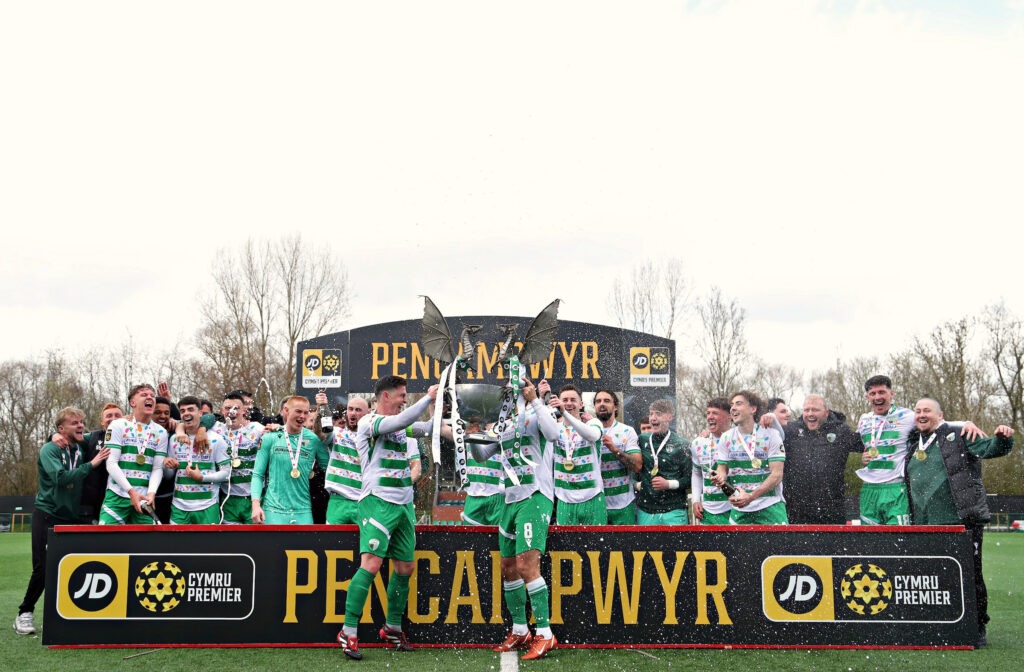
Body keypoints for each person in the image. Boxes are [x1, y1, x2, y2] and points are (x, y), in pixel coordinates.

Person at [338, 377, 438, 660]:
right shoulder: (369, 422)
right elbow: (403, 420)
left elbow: (430, 427)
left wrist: (451, 418)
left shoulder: (403, 423)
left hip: (404, 506)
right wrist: (428, 398)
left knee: (405, 567)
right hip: (377, 503)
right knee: (371, 564)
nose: (405, 399)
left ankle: (392, 627)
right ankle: (348, 631)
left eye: (407, 396)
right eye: (401, 395)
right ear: (385, 396)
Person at [906, 397, 1014, 647]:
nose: (922, 415)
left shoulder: (960, 433)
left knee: (970, 575)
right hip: (925, 525)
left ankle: (977, 627)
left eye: (928, 411)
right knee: (932, 577)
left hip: (961, 521)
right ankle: (940, 623)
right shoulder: (913, 442)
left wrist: (1003, 438)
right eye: (918, 411)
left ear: (941, 415)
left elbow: (990, 448)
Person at [13, 408, 109, 635]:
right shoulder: (50, 449)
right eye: (74, 423)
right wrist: (91, 464)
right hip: (47, 514)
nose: (80, 426)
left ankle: (57, 615)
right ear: (60, 429)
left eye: (82, 422)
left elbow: (102, 433)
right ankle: (24, 613)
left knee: (69, 566)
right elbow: (60, 479)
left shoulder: (81, 444)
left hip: (71, 518)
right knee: (42, 568)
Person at [490, 377, 561, 660]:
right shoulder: (504, 423)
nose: (512, 394)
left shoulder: (536, 413)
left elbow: (554, 434)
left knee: (526, 565)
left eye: (517, 389)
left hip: (535, 495)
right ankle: (520, 629)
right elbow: (484, 452)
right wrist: (467, 432)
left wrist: (534, 399)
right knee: (508, 566)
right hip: (511, 498)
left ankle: (545, 634)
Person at [856, 375, 980, 525]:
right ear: (867, 397)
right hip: (868, 488)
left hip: (896, 487)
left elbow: (938, 423)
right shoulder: (863, 420)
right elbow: (866, 445)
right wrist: (863, 458)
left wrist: (965, 423)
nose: (877, 397)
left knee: (899, 541)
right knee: (869, 541)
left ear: (891, 394)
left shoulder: (906, 416)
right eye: (873, 393)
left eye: (882, 392)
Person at [779, 394, 861, 524]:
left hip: (832, 511)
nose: (810, 414)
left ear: (826, 412)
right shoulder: (791, 431)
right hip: (796, 511)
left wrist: (869, 455)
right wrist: (768, 419)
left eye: (815, 410)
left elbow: (868, 444)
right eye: (806, 410)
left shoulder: (841, 431)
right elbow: (766, 442)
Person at [251, 396, 330, 525]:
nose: (302, 416)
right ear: (286, 410)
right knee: (273, 546)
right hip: (273, 510)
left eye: (306, 412)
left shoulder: (313, 440)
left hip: (303, 511)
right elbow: (257, 475)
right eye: (298, 411)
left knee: (303, 546)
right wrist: (255, 504)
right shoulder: (270, 437)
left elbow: (330, 469)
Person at [712, 391, 787, 524]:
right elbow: (722, 469)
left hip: (770, 505)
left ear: (753, 409)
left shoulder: (771, 434)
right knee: (734, 545)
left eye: (739, 404)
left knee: (781, 545)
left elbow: (777, 475)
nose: (733, 408)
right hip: (741, 508)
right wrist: (720, 477)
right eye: (731, 405)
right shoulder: (726, 437)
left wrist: (751, 497)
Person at [100, 384, 169, 525]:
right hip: (117, 495)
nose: (149, 397)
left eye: (152, 395)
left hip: (144, 498)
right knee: (105, 542)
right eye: (144, 394)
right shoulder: (118, 425)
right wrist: (131, 492)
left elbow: (157, 468)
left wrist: (151, 493)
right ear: (133, 402)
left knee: (149, 544)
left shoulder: (161, 432)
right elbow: (111, 464)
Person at [163, 396, 230, 524]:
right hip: (179, 507)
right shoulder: (174, 439)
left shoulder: (216, 439)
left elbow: (226, 473)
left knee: (208, 545)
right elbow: (169, 476)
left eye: (190, 409)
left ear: (200, 413)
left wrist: (202, 478)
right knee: (177, 544)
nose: (186, 413)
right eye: (182, 411)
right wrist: (167, 465)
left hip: (207, 506)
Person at [551, 385, 606, 525]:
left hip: (592, 496)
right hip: (564, 499)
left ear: (581, 404)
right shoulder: (554, 429)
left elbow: (592, 436)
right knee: (565, 547)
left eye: (573, 400)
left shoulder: (593, 423)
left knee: (596, 545)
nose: (569, 403)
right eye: (564, 400)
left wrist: (564, 413)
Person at [212, 392, 266, 524]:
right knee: (232, 543)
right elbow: (195, 422)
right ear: (221, 411)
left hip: (254, 498)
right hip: (229, 498)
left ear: (244, 410)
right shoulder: (216, 429)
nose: (231, 411)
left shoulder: (257, 429)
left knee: (256, 540)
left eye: (236, 408)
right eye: (227, 408)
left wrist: (276, 429)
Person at [636, 399, 691, 525]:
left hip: (674, 511)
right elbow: (631, 470)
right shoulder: (641, 440)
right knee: (645, 546)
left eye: (658, 414)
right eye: (651, 414)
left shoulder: (682, 444)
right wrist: (635, 484)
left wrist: (669, 484)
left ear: (670, 417)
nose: (653, 418)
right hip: (646, 511)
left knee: (677, 545)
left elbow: (690, 479)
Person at [593, 390, 641, 525]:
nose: (602, 404)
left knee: (625, 546)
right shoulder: (587, 431)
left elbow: (637, 465)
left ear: (615, 407)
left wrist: (614, 449)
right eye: (598, 401)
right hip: (595, 504)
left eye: (606, 401)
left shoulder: (626, 431)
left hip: (623, 504)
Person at [323, 396, 369, 526]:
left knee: (367, 544)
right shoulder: (337, 433)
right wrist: (323, 407)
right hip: (338, 501)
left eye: (358, 410)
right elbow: (321, 434)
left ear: (367, 414)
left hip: (364, 501)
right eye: (350, 409)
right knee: (331, 544)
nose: (353, 413)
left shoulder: (374, 437)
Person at [690, 398, 733, 525]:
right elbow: (697, 473)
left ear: (729, 416)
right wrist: (696, 500)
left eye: (715, 413)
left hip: (734, 508)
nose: (710, 417)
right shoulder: (698, 443)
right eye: (708, 413)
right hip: (707, 511)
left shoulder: (738, 441)